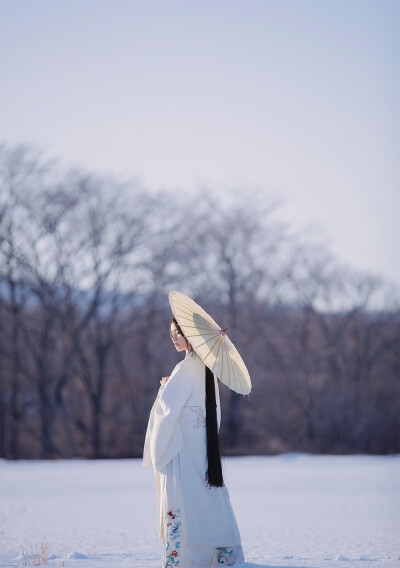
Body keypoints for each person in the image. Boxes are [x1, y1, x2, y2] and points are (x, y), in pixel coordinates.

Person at [143, 317, 244, 567]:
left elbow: (168, 409)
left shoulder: (186, 368)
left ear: (190, 335)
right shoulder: (207, 368)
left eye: (178, 332)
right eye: (171, 333)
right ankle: (219, 554)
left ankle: (184, 559)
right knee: (206, 498)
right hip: (201, 448)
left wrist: (165, 388)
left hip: (183, 449)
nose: (173, 337)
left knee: (184, 497)